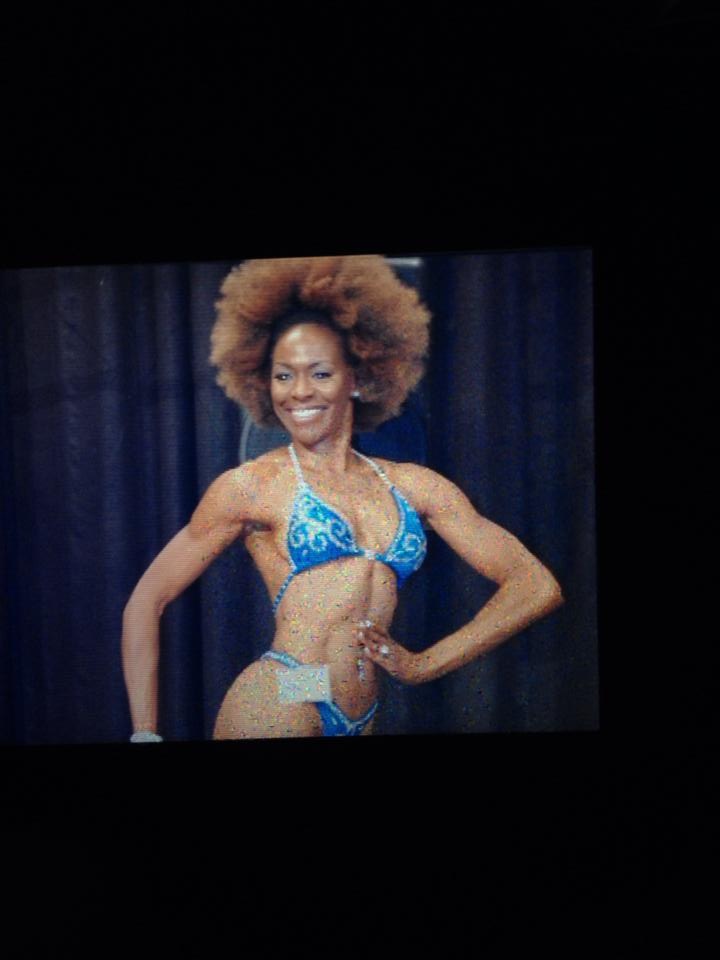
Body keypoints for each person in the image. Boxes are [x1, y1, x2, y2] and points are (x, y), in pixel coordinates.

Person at [121, 255, 564, 741]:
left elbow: (536, 586)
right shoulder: (253, 485)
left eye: (320, 374)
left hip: (362, 715)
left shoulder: (414, 485)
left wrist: (425, 664)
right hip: (284, 696)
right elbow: (147, 599)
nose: (298, 392)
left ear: (356, 378)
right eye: (283, 375)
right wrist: (145, 734)